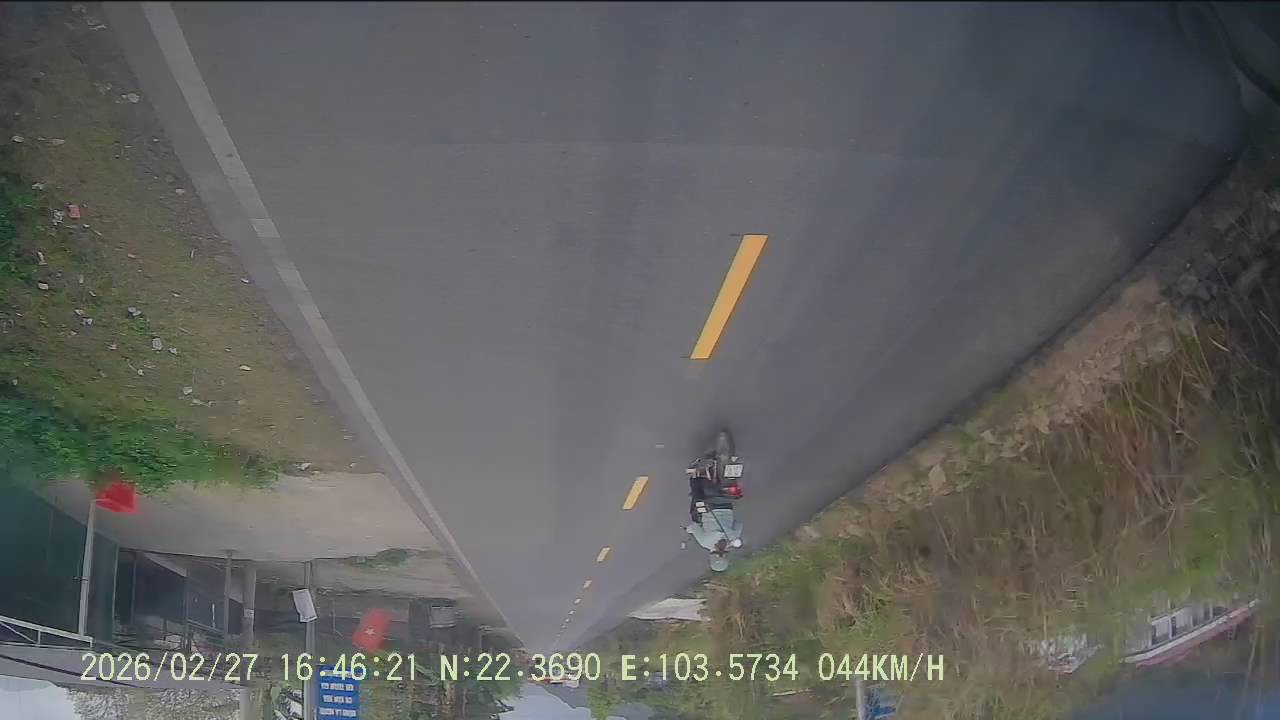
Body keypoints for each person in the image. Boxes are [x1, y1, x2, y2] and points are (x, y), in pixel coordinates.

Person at [685, 504, 743, 571]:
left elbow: (738, 524)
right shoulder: (704, 542)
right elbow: (695, 526)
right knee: (695, 508)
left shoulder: (733, 539)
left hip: (727, 507)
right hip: (707, 507)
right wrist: (688, 530)